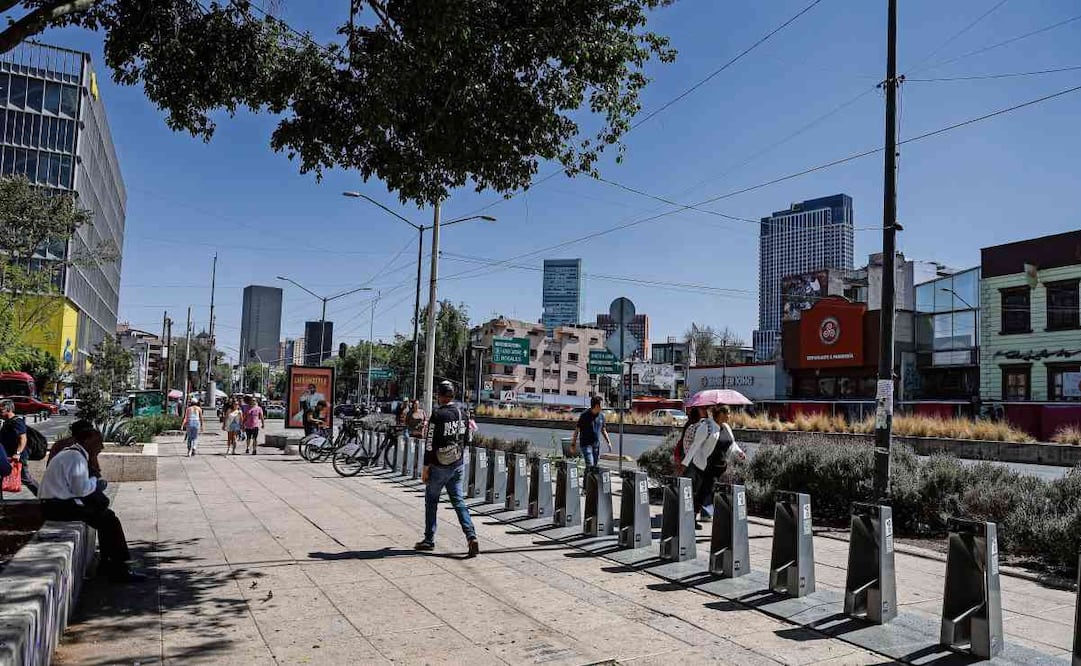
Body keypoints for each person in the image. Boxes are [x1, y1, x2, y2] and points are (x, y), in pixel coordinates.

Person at [39, 426, 145, 583]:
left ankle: (108, 564)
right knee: (109, 520)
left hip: (56, 504)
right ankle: (118, 569)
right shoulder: (76, 458)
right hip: (58, 507)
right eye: (98, 441)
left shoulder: (72, 454)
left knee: (106, 518)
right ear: (87, 440)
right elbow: (81, 490)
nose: (101, 446)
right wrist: (95, 482)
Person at [415, 381, 479, 557]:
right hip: (457, 465)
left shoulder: (437, 415)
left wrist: (426, 467)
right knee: (458, 502)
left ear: (440, 396)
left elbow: (429, 443)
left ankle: (429, 540)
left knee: (432, 501)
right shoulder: (463, 414)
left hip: (439, 465)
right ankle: (471, 536)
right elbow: (468, 439)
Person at [680, 405, 721, 524]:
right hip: (695, 462)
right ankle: (695, 516)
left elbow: (686, 444)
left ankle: (700, 514)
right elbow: (693, 446)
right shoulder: (699, 427)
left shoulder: (695, 426)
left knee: (698, 489)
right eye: (704, 410)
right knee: (697, 490)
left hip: (695, 461)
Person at [1, 398, 37, 495]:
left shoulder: (17, 422)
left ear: (8, 409)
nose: (0, 412)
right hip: (7, 456)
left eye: (1, 410)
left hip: (18, 457)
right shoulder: (7, 422)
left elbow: (23, 439)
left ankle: (43, 496)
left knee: (26, 478)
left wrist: (17, 453)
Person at [570, 396, 612, 469]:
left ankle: (587, 480)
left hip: (596, 445)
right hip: (586, 445)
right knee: (590, 464)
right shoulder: (584, 415)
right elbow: (577, 430)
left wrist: (608, 442)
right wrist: (573, 444)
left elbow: (603, 430)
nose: (603, 406)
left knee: (594, 467)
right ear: (596, 405)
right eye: (602, 405)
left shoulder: (601, 416)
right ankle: (588, 479)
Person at [673, 407, 703, 476]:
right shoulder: (696, 426)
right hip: (692, 458)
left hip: (685, 455)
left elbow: (683, 440)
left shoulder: (689, 425)